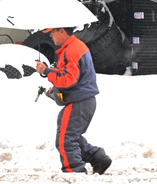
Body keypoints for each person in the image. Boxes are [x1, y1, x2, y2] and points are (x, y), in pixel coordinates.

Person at [36, 26, 112, 174]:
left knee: (66, 140)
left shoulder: (71, 50)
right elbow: (70, 75)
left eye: (52, 32)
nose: (51, 35)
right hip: (85, 100)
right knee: (71, 137)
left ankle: (75, 175)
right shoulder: (75, 46)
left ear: (62, 31)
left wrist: (47, 72)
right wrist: (52, 79)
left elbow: (69, 80)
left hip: (79, 101)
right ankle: (98, 159)